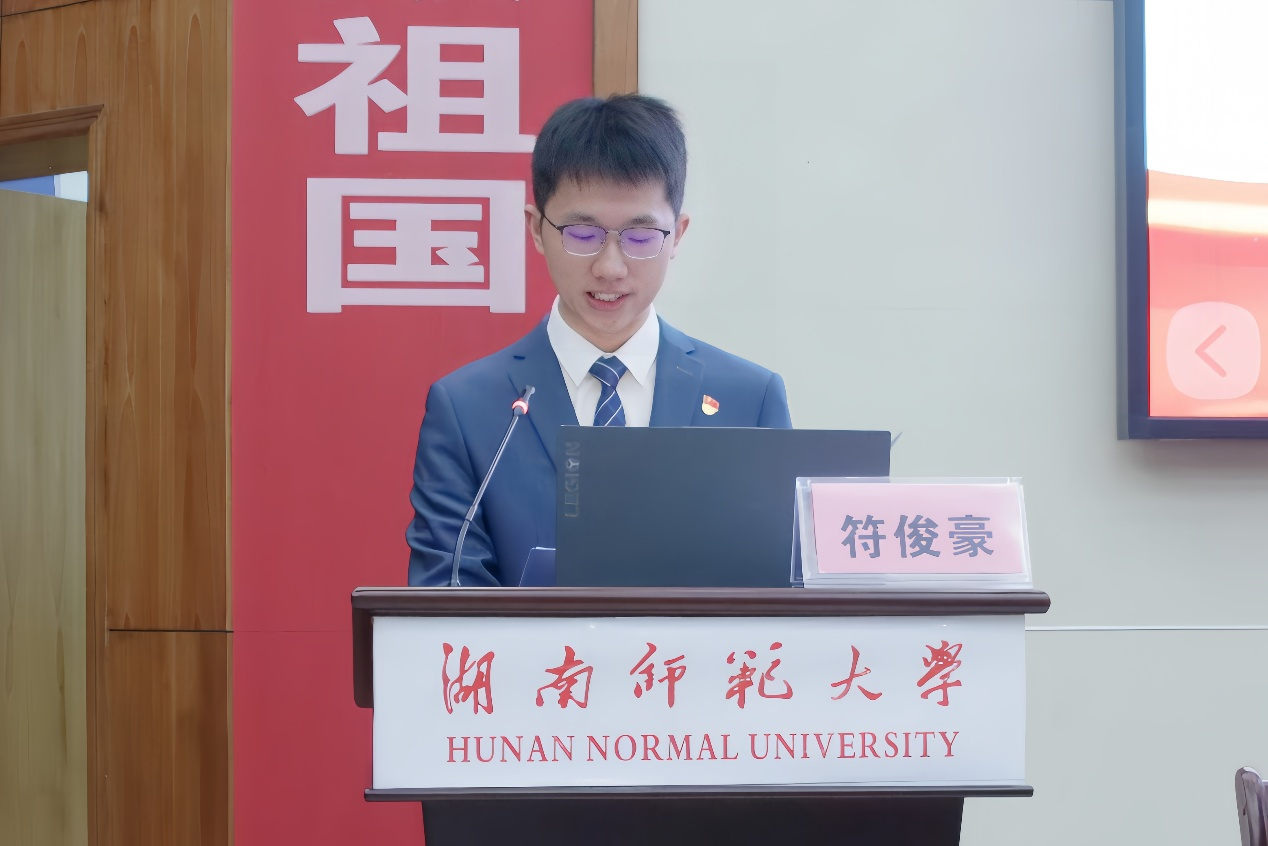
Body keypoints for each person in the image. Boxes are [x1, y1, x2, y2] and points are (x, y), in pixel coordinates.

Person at [407, 94, 792, 587]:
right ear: (536, 229)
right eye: (582, 234)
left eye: (641, 237)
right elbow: (446, 599)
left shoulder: (749, 400)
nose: (610, 268)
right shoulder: (467, 408)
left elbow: (778, 592)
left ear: (677, 235)